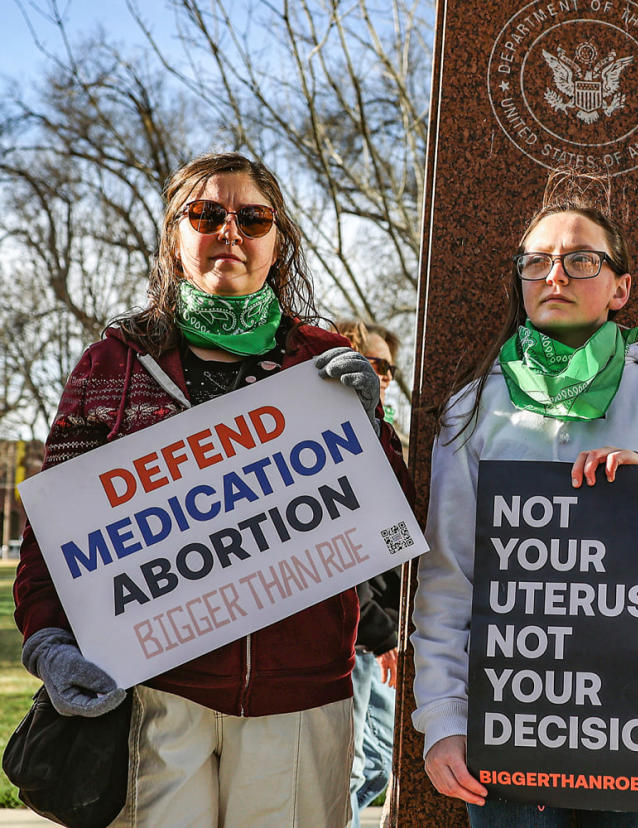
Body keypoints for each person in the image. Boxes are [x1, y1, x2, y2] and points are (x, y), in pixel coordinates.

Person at [13, 152, 412, 827]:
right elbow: (53, 534)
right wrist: (47, 641)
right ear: (174, 236)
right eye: (207, 214)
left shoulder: (321, 360)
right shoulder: (111, 364)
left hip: (304, 697)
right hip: (157, 694)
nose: (230, 230)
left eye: (253, 218)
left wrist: (374, 427)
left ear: (278, 242)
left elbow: (394, 527)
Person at [410, 171, 638, 828]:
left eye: (580, 259)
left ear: (620, 288)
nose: (554, 274)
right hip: (511, 722)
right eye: (536, 261)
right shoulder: (473, 408)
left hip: (637, 724)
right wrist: (442, 721)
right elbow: (448, 578)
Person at [336, 319, 405, 826]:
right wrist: (381, 632)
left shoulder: (387, 440)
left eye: (389, 369)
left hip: (383, 636)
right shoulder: (336, 440)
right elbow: (338, 556)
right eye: (374, 365)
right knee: (353, 772)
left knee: (376, 766)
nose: (383, 377)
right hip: (357, 639)